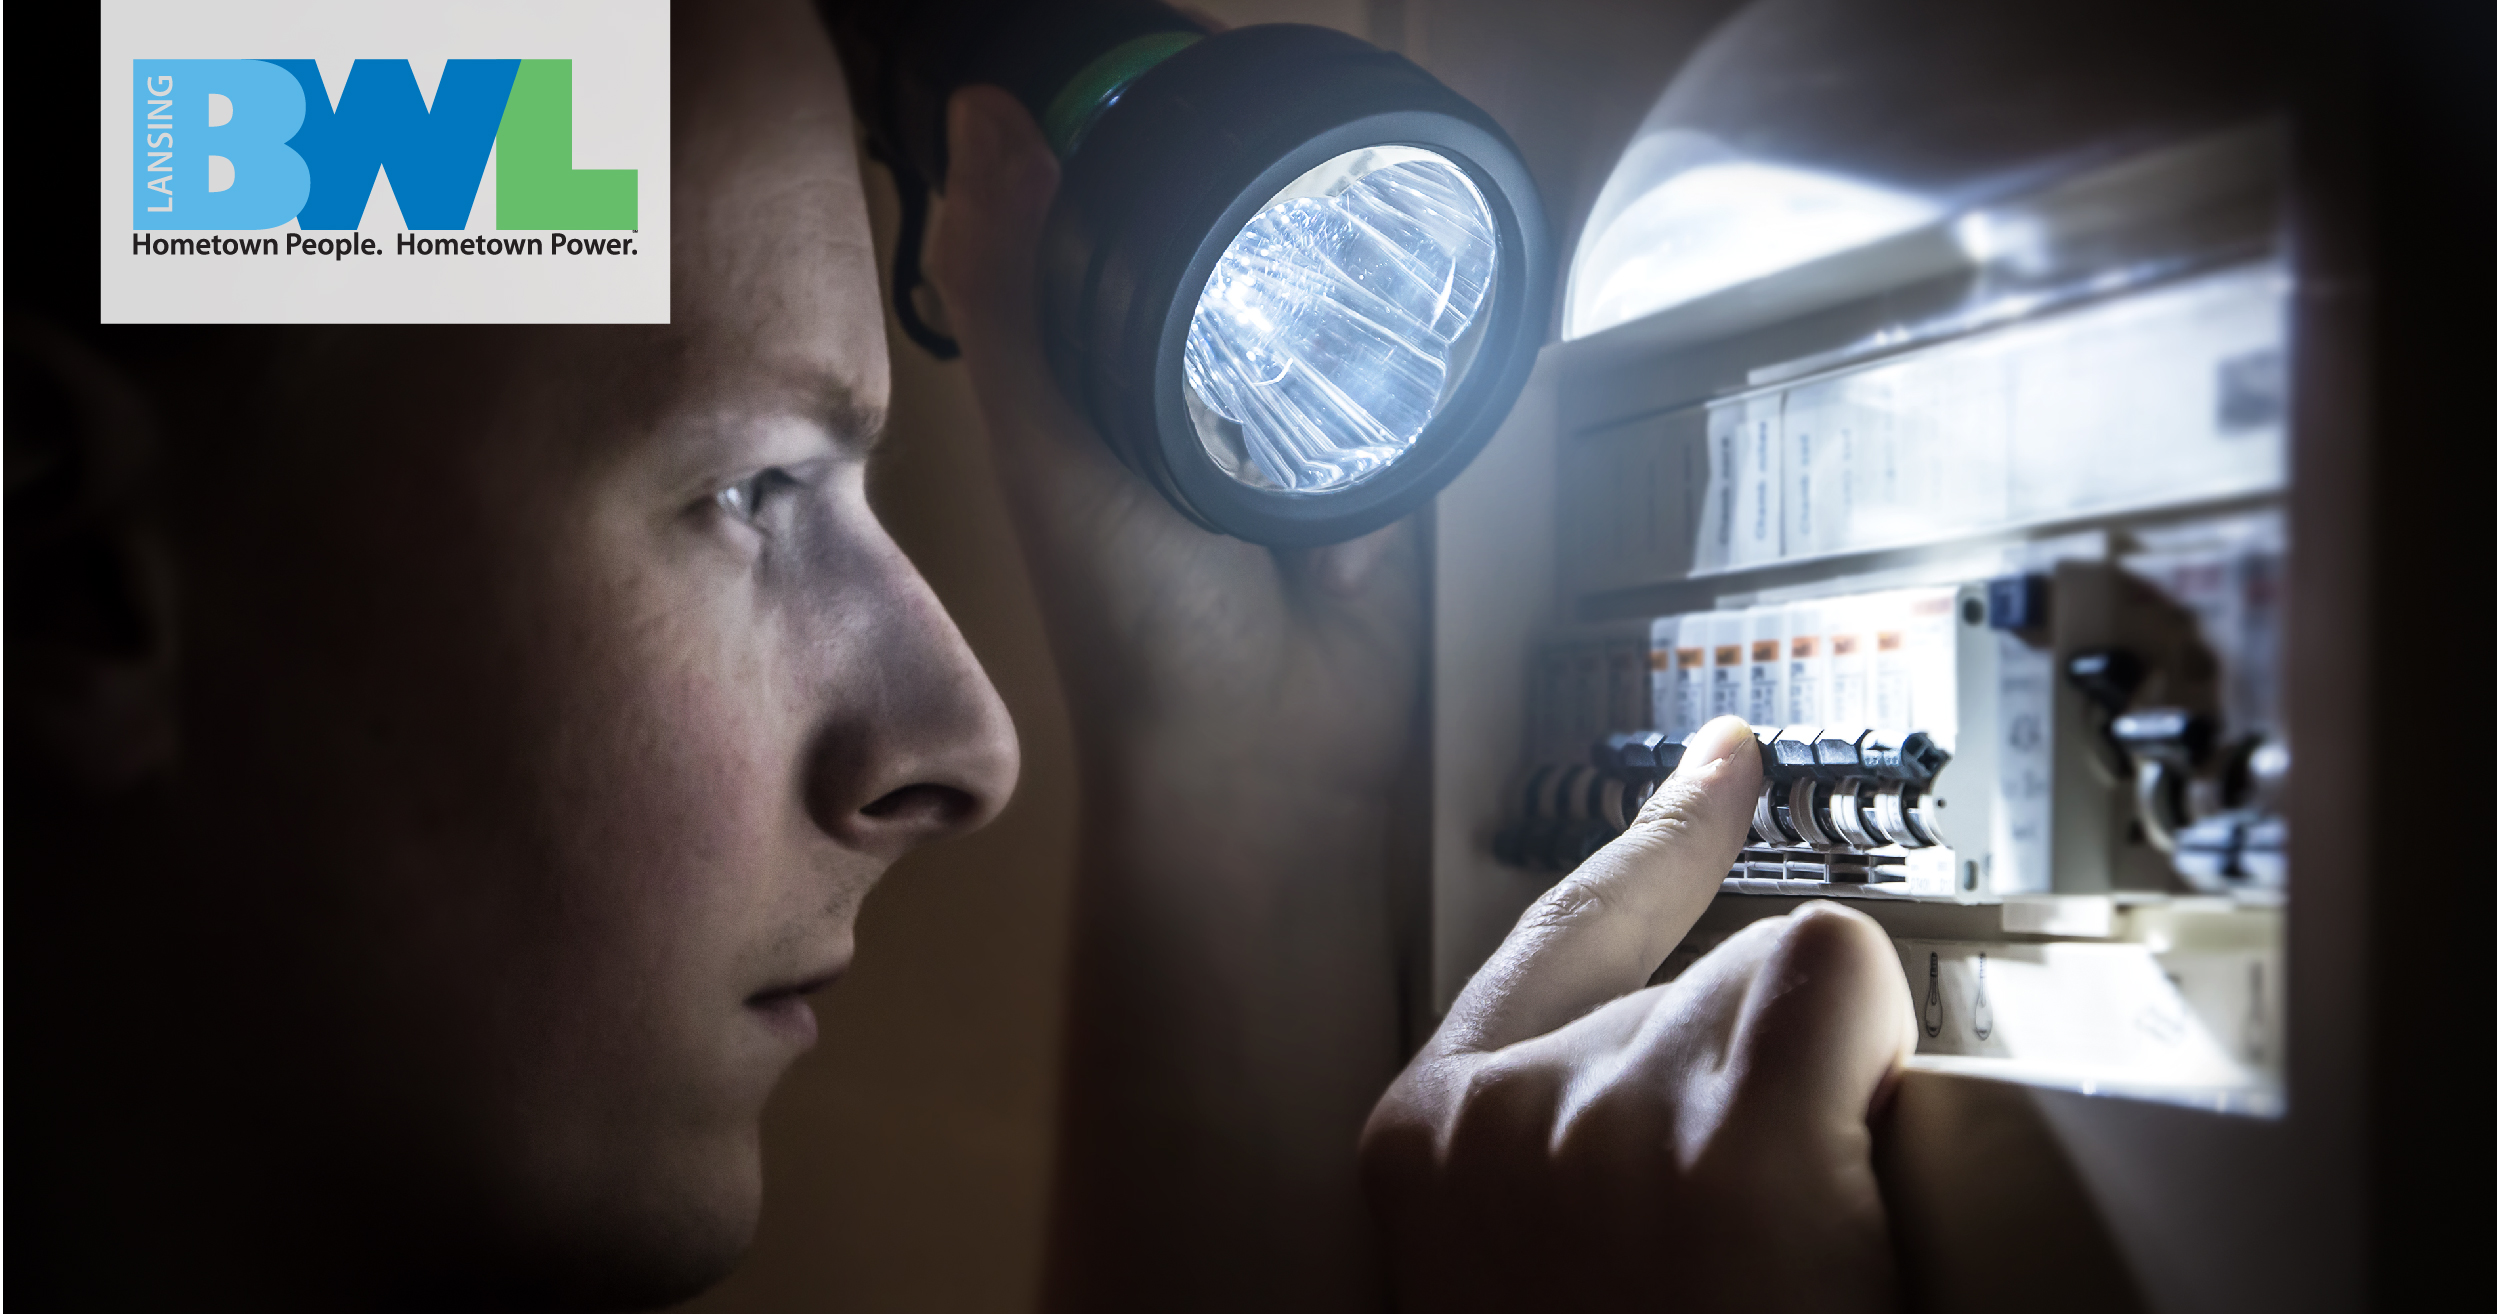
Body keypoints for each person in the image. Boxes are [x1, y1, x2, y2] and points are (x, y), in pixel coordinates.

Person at [8, 1, 1911, 1309]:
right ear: (85, 583)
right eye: (755, 486)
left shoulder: (239, 142)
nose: (961, 745)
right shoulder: (216, 132)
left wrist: (1227, 762)